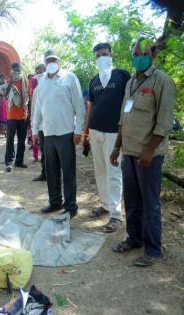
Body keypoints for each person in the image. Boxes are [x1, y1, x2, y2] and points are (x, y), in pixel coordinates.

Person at [110, 37, 176, 266]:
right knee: (132, 200)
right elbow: (123, 118)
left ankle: (153, 249)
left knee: (150, 203)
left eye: (143, 53)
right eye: (135, 54)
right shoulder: (130, 82)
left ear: (153, 55)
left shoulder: (162, 81)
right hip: (128, 152)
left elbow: (165, 122)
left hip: (149, 155)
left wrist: (148, 152)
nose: (139, 57)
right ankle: (134, 238)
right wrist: (117, 147)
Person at [84, 43, 131, 232]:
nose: (101, 57)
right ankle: (104, 205)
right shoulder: (93, 81)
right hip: (95, 131)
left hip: (114, 132)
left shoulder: (122, 75)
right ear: (95, 59)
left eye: (105, 54)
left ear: (112, 54)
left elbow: (130, 100)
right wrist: (86, 131)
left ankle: (116, 214)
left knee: (114, 172)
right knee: (100, 170)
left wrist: (126, 127)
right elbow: (91, 107)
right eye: (98, 55)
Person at [32, 50, 85, 218]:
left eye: (54, 59)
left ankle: (71, 206)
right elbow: (38, 109)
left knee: (68, 171)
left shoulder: (69, 78)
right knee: (51, 170)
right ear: (45, 62)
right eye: (48, 60)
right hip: (47, 134)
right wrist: (34, 130)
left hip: (66, 133)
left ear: (59, 60)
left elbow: (80, 107)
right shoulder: (42, 83)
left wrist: (78, 131)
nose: (51, 62)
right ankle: (55, 202)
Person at [1, 62, 29, 172]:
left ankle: (19, 161)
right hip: (11, 116)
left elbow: (27, 97)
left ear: (20, 70)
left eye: (18, 69)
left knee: (22, 140)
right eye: (14, 69)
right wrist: (10, 83)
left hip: (23, 115)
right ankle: (8, 162)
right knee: (10, 140)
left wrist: (28, 113)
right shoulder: (8, 81)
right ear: (11, 70)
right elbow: (4, 95)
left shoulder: (26, 82)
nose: (16, 71)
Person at [30, 64, 47, 181]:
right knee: (44, 152)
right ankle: (44, 174)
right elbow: (34, 109)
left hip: (53, 126)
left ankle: (53, 175)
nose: (39, 73)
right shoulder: (36, 90)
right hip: (40, 127)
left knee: (52, 153)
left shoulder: (55, 86)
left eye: (41, 71)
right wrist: (33, 126)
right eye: (37, 71)